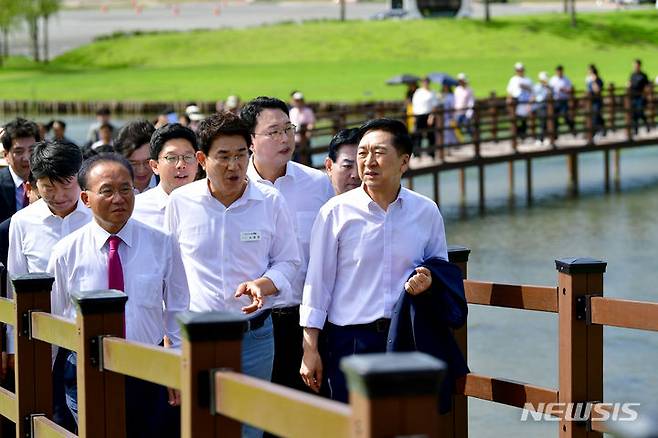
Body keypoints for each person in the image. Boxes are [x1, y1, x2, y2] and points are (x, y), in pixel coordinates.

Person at [164, 112, 300, 438]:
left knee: (251, 430)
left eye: (241, 155)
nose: (233, 166)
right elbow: (170, 280)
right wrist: (172, 347)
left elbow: (289, 262)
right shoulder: (181, 202)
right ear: (202, 159)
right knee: (202, 427)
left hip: (254, 336)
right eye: (223, 156)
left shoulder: (270, 200)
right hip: (197, 337)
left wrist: (263, 284)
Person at [299, 118, 449, 402]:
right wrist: (310, 348)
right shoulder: (335, 212)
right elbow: (317, 284)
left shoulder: (425, 211)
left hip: (406, 338)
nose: (368, 162)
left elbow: (440, 270)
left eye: (379, 153)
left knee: (404, 426)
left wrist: (428, 281)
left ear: (404, 162)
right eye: (362, 153)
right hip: (350, 341)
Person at [49, 153, 189, 437]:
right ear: (86, 199)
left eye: (126, 189)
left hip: (148, 365)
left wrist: (175, 366)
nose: (119, 198)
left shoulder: (161, 243)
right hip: (87, 368)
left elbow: (178, 308)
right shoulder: (66, 252)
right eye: (107, 191)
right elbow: (55, 315)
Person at [242, 97, 334, 397]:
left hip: (307, 322)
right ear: (250, 141)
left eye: (288, 129)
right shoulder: (236, 188)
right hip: (254, 323)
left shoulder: (317, 184)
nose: (285, 138)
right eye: (273, 132)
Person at [6, 141, 90, 432]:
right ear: (35, 183)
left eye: (66, 185)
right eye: (47, 187)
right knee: (47, 417)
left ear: (79, 176)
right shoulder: (22, 222)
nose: (59, 195)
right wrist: (14, 346)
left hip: (90, 337)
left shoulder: (99, 216)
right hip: (43, 341)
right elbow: (15, 286)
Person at [132, 123, 199, 230]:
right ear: (154, 166)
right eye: (171, 158)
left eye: (188, 157)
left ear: (197, 162)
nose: (181, 164)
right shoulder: (135, 210)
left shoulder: (210, 207)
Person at [1, 118, 40, 222]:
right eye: (19, 151)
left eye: (32, 150)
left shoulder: (50, 182)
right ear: (5, 155)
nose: (27, 158)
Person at [115, 120, 157, 193]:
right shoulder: (110, 190)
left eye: (147, 162)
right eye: (133, 163)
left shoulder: (172, 187)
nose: (141, 170)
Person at [324, 128, 361, 195]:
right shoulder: (317, 202)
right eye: (347, 166)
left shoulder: (383, 204)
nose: (356, 175)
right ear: (329, 166)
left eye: (362, 166)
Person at [411, 77, 438, 156]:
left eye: (426, 82)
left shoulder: (432, 92)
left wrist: (431, 116)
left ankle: (431, 153)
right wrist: (414, 116)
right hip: (419, 115)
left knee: (430, 135)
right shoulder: (418, 92)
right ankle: (417, 153)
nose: (425, 83)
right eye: (424, 82)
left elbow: (434, 106)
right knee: (417, 135)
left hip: (428, 115)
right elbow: (414, 104)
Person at [507, 62, 533, 139]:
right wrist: (509, 100)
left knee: (524, 121)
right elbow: (510, 92)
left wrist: (530, 103)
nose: (519, 71)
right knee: (515, 120)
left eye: (521, 70)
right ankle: (516, 136)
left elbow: (532, 92)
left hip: (525, 102)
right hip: (516, 102)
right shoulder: (513, 79)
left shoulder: (528, 80)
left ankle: (522, 136)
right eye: (518, 70)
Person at [289, 91, 316, 163]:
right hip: (294, 138)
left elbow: (311, 123)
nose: (298, 102)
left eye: (299, 100)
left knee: (306, 157)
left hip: (304, 138)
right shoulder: (292, 111)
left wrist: (308, 132)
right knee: (295, 158)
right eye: (296, 100)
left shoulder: (307, 111)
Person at [549, 65, 575, 136]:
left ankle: (572, 129)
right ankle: (555, 134)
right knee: (555, 117)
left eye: (560, 71)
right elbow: (550, 89)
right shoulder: (553, 79)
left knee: (565, 115)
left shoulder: (566, 79)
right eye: (557, 71)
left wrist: (564, 90)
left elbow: (571, 89)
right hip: (555, 101)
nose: (559, 73)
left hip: (564, 101)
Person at [629, 59, 650, 135]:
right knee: (634, 114)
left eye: (636, 65)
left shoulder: (643, 75)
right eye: (634, 65)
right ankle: (636, 130)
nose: (635, 67)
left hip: (640, 97)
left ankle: (646, 125)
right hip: (633, 97)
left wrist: (645, 95)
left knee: (640, 111)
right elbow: (630, 83)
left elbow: (647, 86)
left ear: (639, 66)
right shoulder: (632, 75)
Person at [532, 71, 552, 146]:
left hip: (547, 106)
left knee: (548, 122)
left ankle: (546, 138)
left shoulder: (548, 87)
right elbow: (534, 97)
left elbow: (550, 95)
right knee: (543, 122)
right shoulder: (537, 86)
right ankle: (540, 139)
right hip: (540, 106)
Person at [586, 64, 606, 137]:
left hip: (597, 101)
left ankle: (597, 132)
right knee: (594, 116)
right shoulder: (588, 80)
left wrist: (594, 81)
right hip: (590, 102)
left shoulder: (598, 80)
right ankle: (600, 131)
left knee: (596, 116)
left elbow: (597, 90)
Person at [454, 73, 475, 137]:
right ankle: (459, 142)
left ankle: (474, 139)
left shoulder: (469, 90)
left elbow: (471, 101)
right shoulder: (457, 89)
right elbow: (455, 100)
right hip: (457, 112)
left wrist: (469, 112)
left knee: (468, 127)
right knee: (457, 128)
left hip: (466, 112)